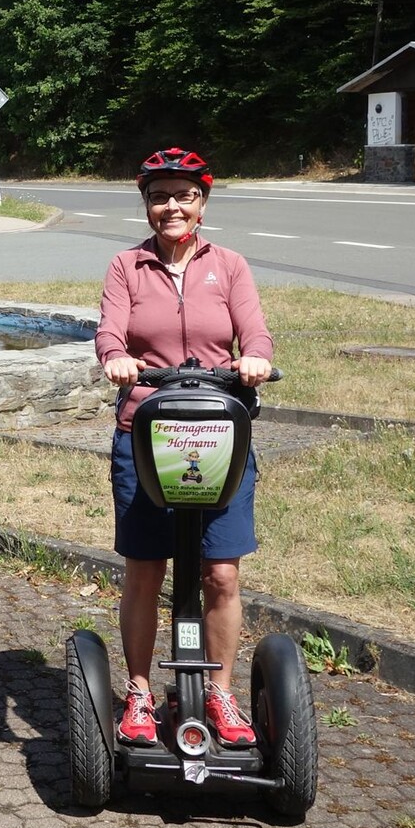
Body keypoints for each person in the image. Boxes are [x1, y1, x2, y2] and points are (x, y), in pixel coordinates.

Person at [96, 146, 274, 750]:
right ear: (146, 203)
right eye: (158, 196)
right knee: (145, 568)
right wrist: (116, 358)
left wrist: (256, 359)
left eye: (183, 195)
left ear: (202, 201)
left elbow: (254, 329)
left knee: (221, 573)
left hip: (219, 433)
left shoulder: (229, 265)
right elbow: (109, 331)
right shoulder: (127, 265)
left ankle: (220, 691)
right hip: (146, 432)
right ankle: (142, 691)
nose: (170, 206)